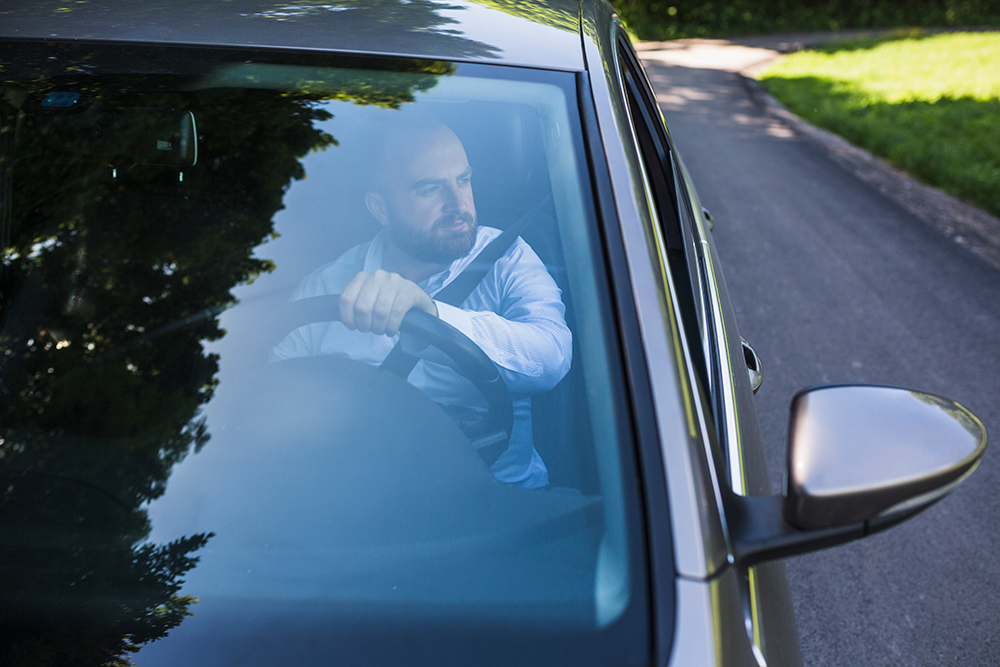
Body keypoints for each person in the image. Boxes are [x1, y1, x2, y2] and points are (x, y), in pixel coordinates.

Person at [272, 122, 571, 488]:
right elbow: (270, 402)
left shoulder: (508, 258)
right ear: (380, 207)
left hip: (499, 510)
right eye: (431, 189)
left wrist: (434, 317)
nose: (458, 204)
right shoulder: (328, 288)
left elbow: (553, 356)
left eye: (463, 180)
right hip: (356, 507)